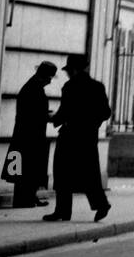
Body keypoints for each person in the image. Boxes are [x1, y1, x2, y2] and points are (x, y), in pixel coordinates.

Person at [44, 55, 111, 223]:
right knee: (90, 173)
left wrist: (53, 119)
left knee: (62, 172)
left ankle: (62, 211)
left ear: (73, 70)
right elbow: (106, 112)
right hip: (89, 136)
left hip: (70, 135)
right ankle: (101, 204)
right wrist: (92, 124)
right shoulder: (97, 86)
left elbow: (64, 111)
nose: (67, 74)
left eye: (68, 71)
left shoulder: (70, 86)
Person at [7, 60, 57, 207]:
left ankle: (28, 197)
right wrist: (48, 116)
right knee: (26, 168)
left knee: (28, 168)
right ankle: (24, 199)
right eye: (50, 77)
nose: (50, 81)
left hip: (27, 134)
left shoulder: (33, 86)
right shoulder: (33, 88)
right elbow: (33, 113)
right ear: (44, 76)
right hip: (29, 135)